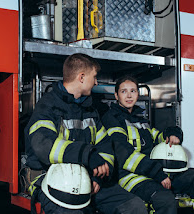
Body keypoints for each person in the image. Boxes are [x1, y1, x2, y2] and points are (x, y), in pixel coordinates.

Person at [24, 54, 147, 214]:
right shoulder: (47, 106)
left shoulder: (89, 109)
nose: (96, 82)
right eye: (94, 77)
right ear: (81, 77)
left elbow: (105, 147)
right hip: (51, 180)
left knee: (134, 206)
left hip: (87, 179)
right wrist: (87, 155)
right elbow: (44, 146)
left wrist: (98, 177)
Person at [101, 74, 194, 214]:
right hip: (131, 176)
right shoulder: (111, 119)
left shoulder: (140, 119)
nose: (129, 95)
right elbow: (123, 153)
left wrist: (172, 134)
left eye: (133, 91)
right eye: (124, 91)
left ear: (138, 94)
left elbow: (158, 136)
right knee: (164, 199)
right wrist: (157, 173)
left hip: (155, 173)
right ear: (116, 96)